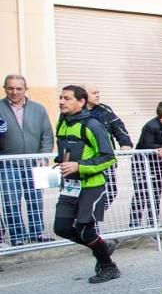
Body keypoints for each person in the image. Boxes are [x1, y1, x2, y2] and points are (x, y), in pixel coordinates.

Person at [53, 86, 121, 283]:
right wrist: (61, 161)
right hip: (70, 186)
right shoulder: (62, 123)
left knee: (85, 229)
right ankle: (100, 246)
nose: (61, 102)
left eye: (67, 98)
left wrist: (79, 166)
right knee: (62, 227)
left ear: (81, 102)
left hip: (92, 186)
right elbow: (67, 151)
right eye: (60, 98)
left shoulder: (93, 125)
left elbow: (109, 157)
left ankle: (109, 267)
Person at [0, 74, 54, 245]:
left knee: (35, 199)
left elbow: (47, 134)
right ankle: (17, 238)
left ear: (26, 89)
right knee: (11, 201)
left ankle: (37, 234)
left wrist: (44, 156)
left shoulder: (38, 109)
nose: (14, 92)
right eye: (10, 88)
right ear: (4, 88)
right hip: (8, 164)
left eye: (19, 88)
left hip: (35, 163)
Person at [129, 101, 162, 229]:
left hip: (158, 163)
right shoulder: (151, 126)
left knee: (156, 192)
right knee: (141, 192)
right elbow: (146, 144)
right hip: (142, 162)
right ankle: (134, 224)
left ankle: (153, 223)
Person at [83, 84, 132, 208]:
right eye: (94, 93)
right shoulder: (76, 111)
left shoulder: (105, 110)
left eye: (98, 92)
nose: (98, 95)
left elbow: (118, 126)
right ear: (83, 94)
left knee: (110, 191)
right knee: (88, 193)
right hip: (86, 160)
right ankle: (86, 220)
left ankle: (92, 218)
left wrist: (125, 143)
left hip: (105, 158)